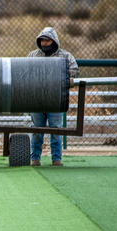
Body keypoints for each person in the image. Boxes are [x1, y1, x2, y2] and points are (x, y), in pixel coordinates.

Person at [27, 27, 79, 167]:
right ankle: (35, 159)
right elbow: (24, 72)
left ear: (54, 41)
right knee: (36, 130)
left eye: (47, 40)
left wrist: (62, 78)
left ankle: (56, 159)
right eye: (42, 40)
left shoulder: (65, 56)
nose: (45, 43)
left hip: (56, 99)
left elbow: (74, 70)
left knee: (56, 129)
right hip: (36, 100)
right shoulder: (33, 55)